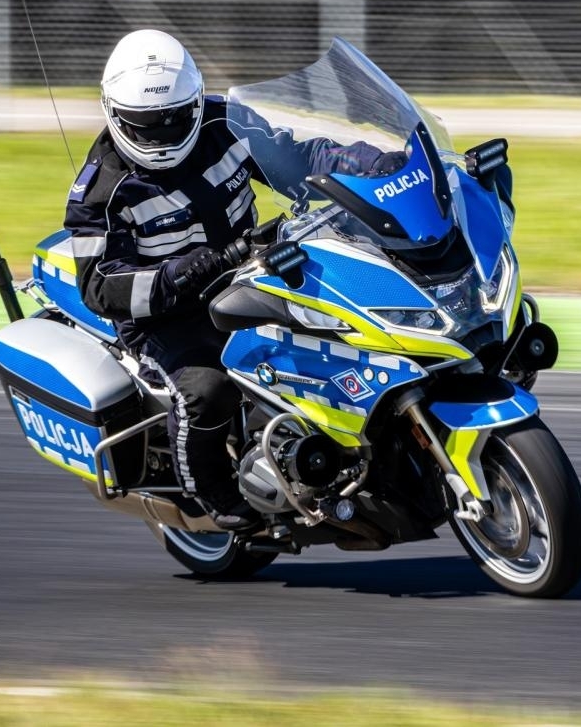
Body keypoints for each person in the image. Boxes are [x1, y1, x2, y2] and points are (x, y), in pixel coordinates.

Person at [65, 29, 397, 530]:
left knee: (351, 327)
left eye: (175, 119)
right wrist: (179, 273)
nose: (162, 134)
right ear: (114, 114)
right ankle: (212, 493)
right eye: (146, 125)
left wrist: (368, 163)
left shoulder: (225, 122)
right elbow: (99, 287)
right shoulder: (100, 191)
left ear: (196, 101)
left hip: (250, 273)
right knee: (206, 390)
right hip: (166, 318)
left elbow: (298, 158)